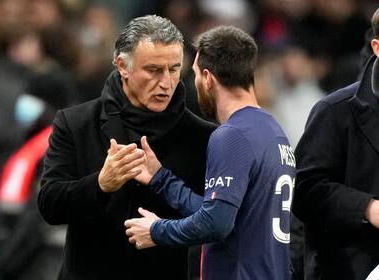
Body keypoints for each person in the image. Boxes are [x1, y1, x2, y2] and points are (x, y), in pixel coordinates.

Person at [37, 15, 215, 280]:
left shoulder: (203, 135)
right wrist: (100, 185)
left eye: (174, 69)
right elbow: (50, 205)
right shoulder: (76, 123)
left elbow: (216, 219)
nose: (166, 83)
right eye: (154, 70)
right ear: (123, 66)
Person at [124, 25, 295, 280]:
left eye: (193, 74)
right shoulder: (273, 130)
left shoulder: (231, 135)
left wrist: (157, 230)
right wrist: (161, 178)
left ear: (208, 78)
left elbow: (217, 223)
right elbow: (222, 211)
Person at [292, 1, 379, 279]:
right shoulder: (335, 111)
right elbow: (303, 190)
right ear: (377, 48)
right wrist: (368, 208)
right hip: (352, 267)